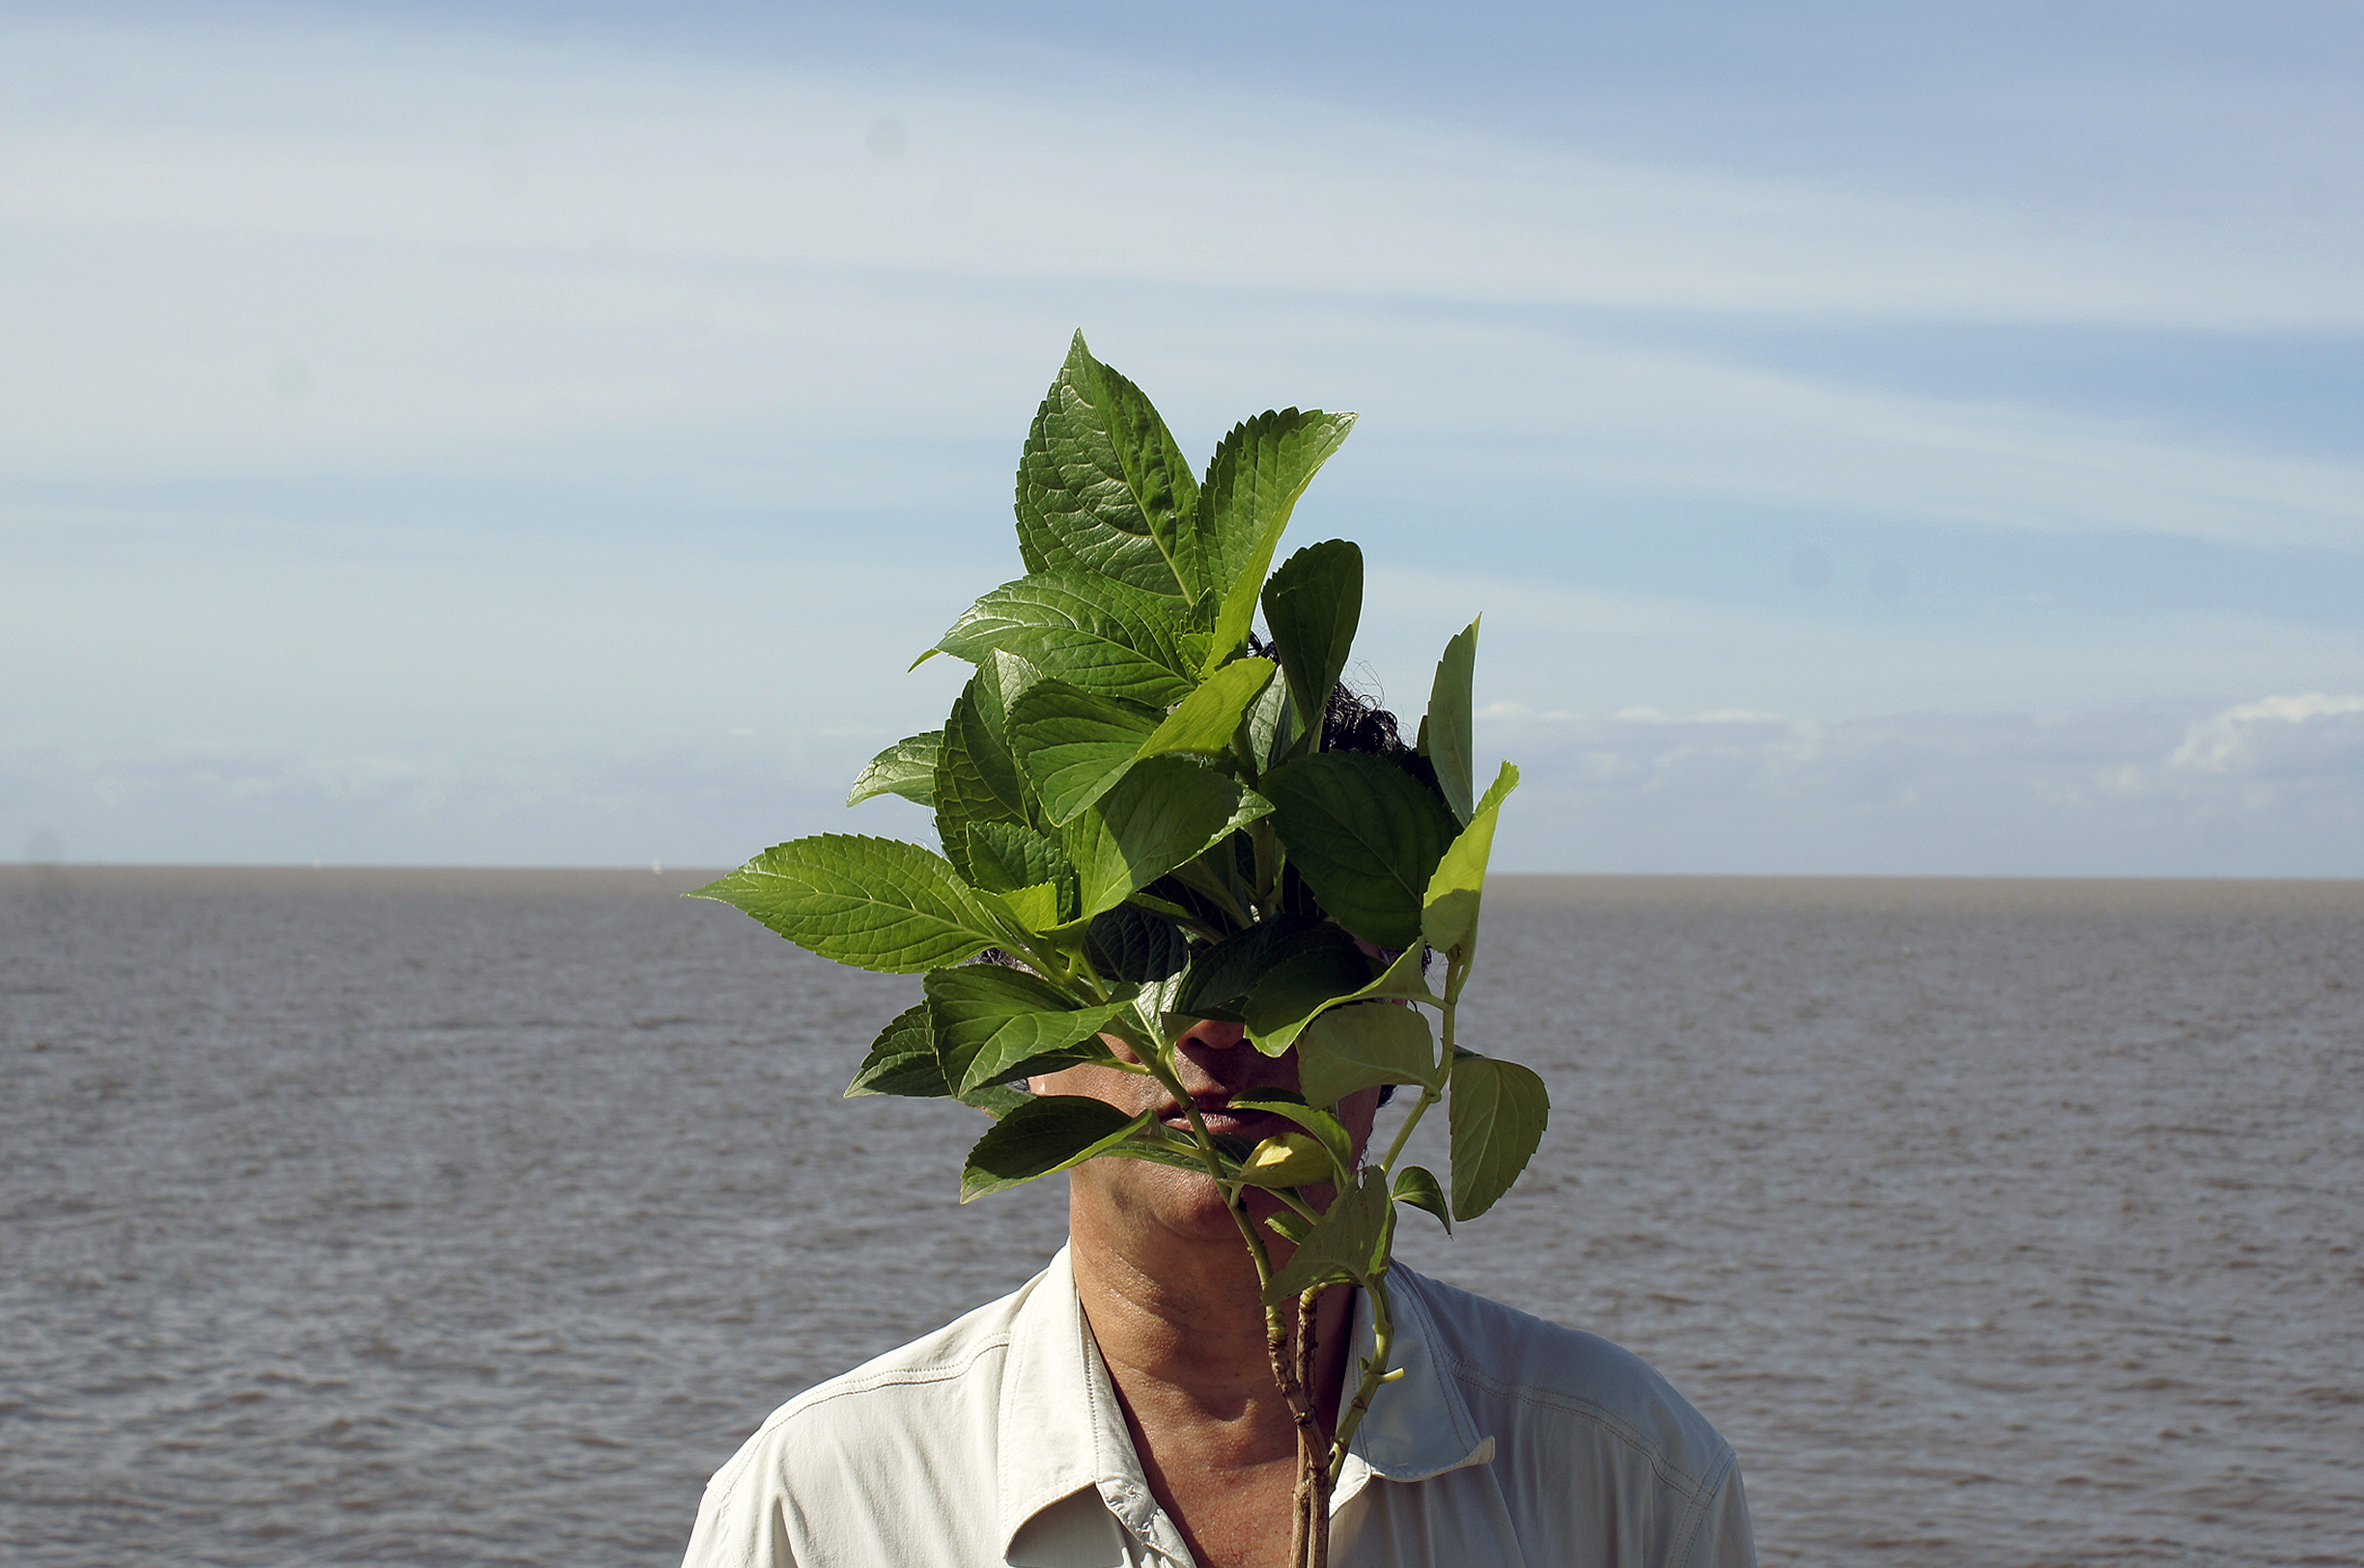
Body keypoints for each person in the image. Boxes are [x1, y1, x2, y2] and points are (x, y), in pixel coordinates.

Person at [681, 695, 1758, 1567]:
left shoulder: (1629, 1482)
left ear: (1399, 1017)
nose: (1219, 1021)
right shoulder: (821, 1510)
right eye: (1143, 938)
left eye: (1294, 952)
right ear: (1020, 1025)